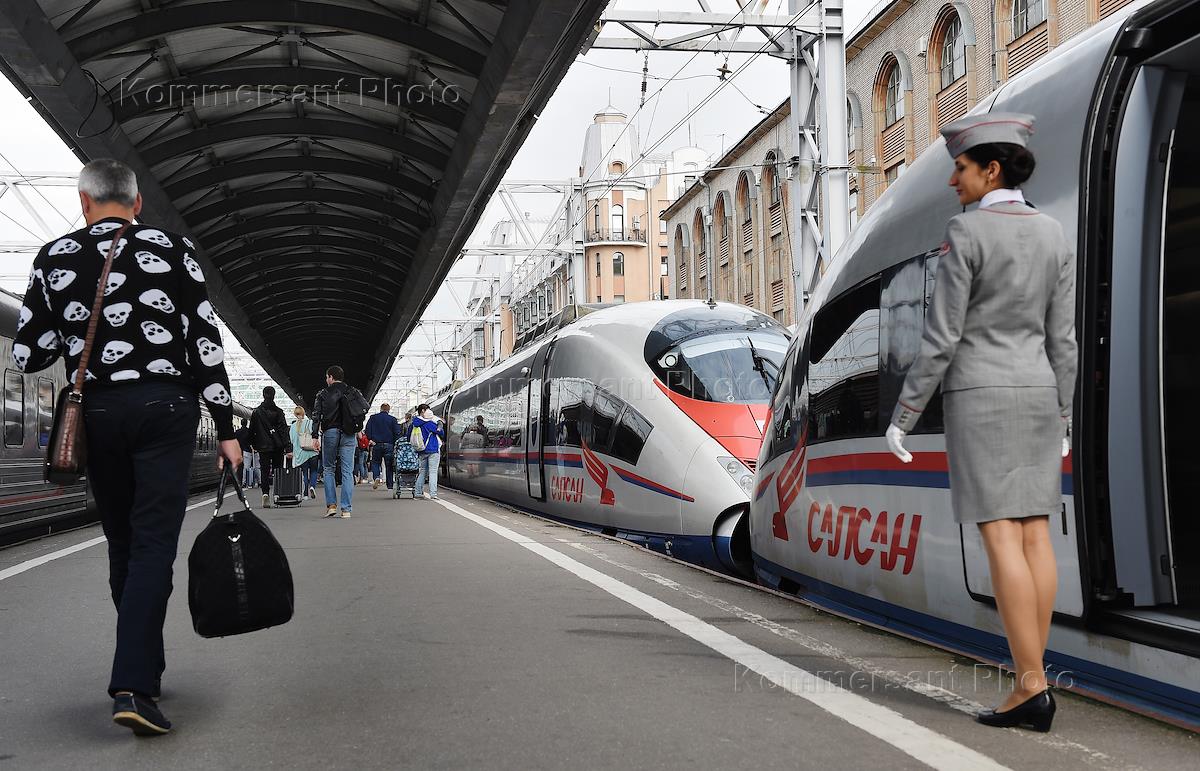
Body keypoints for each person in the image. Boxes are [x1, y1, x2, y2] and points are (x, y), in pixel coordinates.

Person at [13, 158, 241, 736]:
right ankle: (134, 683)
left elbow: (28, 355)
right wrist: (227, 429)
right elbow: (204, 340)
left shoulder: (54, 256)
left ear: (84, 202)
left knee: (123, 543)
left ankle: (145, 667)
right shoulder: (173, 248)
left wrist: (67, 328)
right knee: (153, 546)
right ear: (137, 204)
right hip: (167, 408)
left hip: (99, 411)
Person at [885, 113, 1076, 733]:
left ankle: (1030, 686)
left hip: (982, 396)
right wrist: (1065, 412)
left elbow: (940, 340)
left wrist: (905, 415)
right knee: (1036, 535)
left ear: (990, 169)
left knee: (1000, 537)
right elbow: (1064, 340)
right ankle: (1033, 675)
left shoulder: (965, 235)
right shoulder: (1053, 234)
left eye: (960, 168)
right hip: (1040, 394)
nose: (952, 181)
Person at [311, 365, 360, 517]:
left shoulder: (323, 394)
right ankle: (346, 510)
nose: (326, 380)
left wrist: (314, 436)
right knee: (347, 471)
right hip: (349, 433)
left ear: (331, 377)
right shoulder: (352, 391)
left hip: (330, 431)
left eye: (327, 377)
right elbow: (362, 408)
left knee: (329, 469)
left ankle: (331, 506)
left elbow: (316, 415)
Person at [249, 385, 291, 508]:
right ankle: (277, 495)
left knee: (264, 470)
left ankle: (265, 493)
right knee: (277, 470)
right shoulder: (279, 412)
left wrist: (253, 444)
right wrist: (287, 447)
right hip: (277, 446)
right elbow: (284, 431)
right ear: (274, 395)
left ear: (263, 395)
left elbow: (252, 430)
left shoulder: (257, 412)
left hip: (263, 447)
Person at [411, 404, 445, 500]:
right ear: (423, 411)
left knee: (422, 472)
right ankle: (433, 494)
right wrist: (439, 424)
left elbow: (408, 434)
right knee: (433, 472)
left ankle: (417, 493)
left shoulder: (415, 422)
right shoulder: (429, 423)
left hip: (421, 450)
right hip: (433, 449)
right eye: (427, 409)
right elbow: (441, 432)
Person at [365, 403, 401, 490]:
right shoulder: (393, 419)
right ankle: (390, 486)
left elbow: (367, 430)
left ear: (380, 409)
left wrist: (371, 439)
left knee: (376, 462)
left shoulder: (373, 418)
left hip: (376, 444)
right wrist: (394, 443)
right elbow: (397, 432)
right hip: (389, 445)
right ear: (388, 410)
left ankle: (377, 476)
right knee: (389, 465)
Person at [289, 405, 320, 499]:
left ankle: (305, 494)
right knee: (314, 471)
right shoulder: (309, 423)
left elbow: (292, 441)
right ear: (304, 413)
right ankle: (312, 486)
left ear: (295, 414)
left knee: (304, 474)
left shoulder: (293, 427)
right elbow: (315, 434)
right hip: (312, 452)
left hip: (301, 454)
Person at [235, 418, 259, 488]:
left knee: (241, 468)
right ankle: (252, 481)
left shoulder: (237, 432)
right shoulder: (249, 432)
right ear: (246, 423)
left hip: (239, 452)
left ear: (241, 423)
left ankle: (241, 481)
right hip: (248, 451)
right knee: (251, 467)